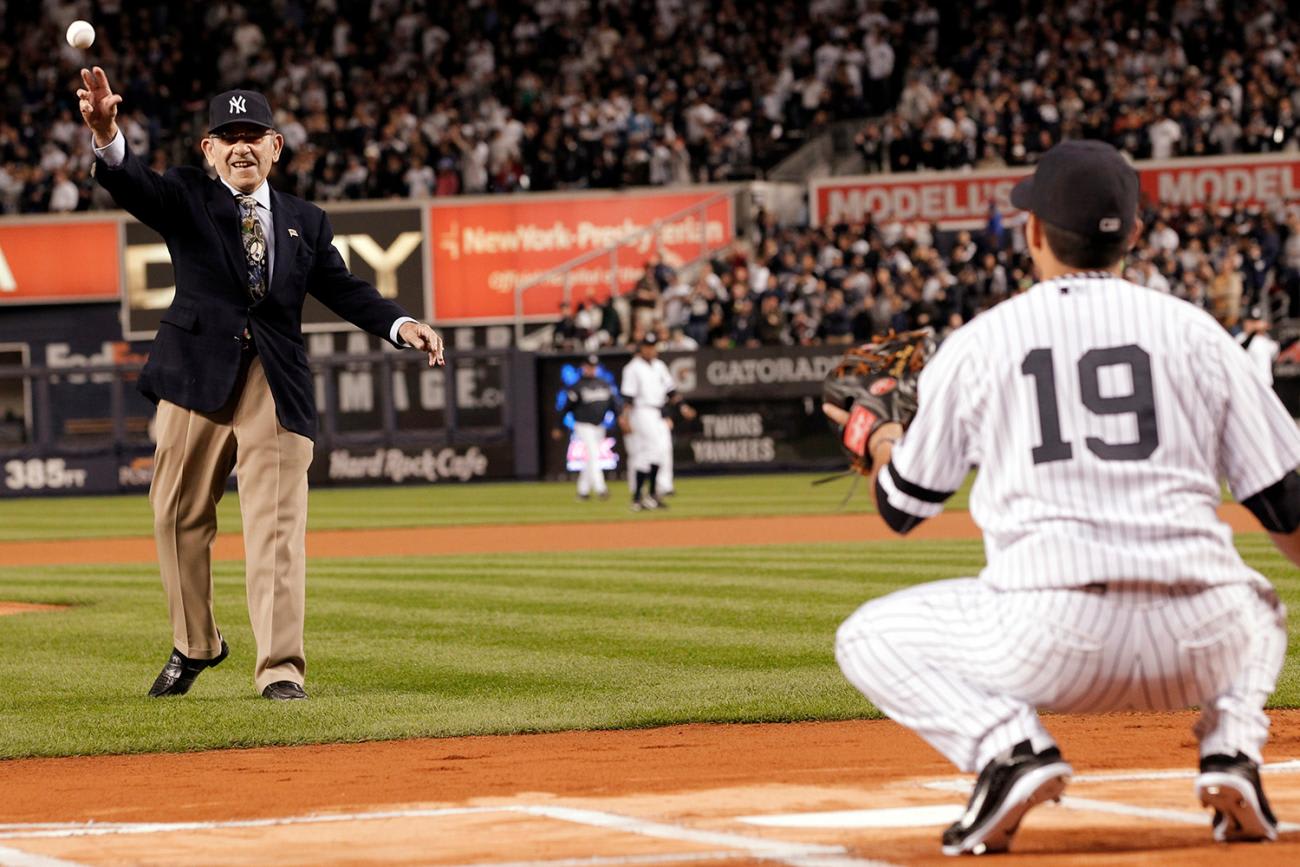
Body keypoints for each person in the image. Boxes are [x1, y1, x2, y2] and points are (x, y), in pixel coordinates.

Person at [827, 140, 1300, 855]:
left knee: (866, 634)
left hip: (1052, 640)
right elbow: (1290, 510)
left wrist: (882, 437)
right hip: (1201, 637)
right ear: (1134, 234)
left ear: (1034, 232)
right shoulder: (1200, 334)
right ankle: (1232, 747)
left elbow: (903, 508)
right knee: (1262, 603)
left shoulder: (983, 341)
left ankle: (1011, 748)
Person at [77, 67, 445, 701]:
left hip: (273, 379)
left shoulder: (307, 220)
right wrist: (109, 137)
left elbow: (345, 289)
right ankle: (197, 643)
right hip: (195, 375)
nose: (241, 146)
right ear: (209, 150)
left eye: (254, 134)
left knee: (275, 525)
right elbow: (133, 183)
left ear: (277, 146)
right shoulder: (188, 196)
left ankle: (280, 669)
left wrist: (401, 322)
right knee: (175, 516)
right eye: (228, 135)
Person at [619, 333, 693, 511]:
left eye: (653, 346)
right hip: (642, 411)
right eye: (648, 346)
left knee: (659, 452)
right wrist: (624, 418)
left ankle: (650, 495)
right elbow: (628, 397)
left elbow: (671, 391)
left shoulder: (659, 366)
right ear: (641, 348)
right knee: (649, 451)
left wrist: (683, 407)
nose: (651, 349)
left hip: (658, 412)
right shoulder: (632, 368)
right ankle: (637, 498)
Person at [555, 354, 620, 501]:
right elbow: (565, 408)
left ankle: (582, 491)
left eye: (593, 366)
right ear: (583, 367)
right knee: (593, 455)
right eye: (588, 366)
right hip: (583, 425)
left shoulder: (604, 384)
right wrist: (559, 426)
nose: (591, 369)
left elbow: (614, 405)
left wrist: (620, 418)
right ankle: (601, 489)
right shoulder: (577, 386)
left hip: (599, 425)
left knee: (591, 458)